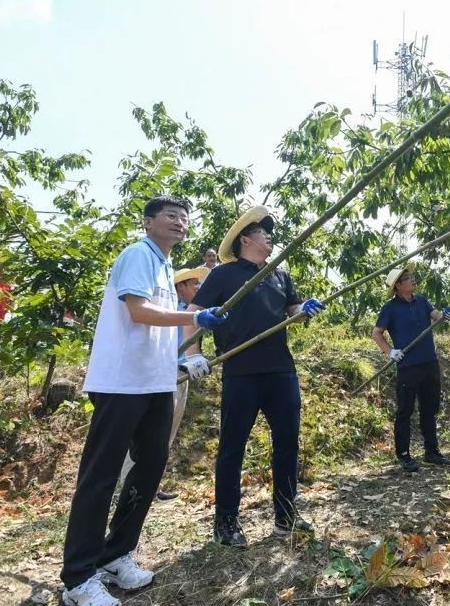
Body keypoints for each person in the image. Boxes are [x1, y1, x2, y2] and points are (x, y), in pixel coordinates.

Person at [59, 196, 226, 606]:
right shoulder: (138, 254)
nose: (180, 223)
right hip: (121, 384)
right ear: (149, 222)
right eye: (171, 216)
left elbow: (160, 328)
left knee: (149, 469)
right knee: (100, 476)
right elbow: (139, 312)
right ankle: (78, 578)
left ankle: (115, 554)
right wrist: (193, 316)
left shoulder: (165, 267)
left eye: (185, 218)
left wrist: (187, 356)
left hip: (155, 383)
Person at [187, 205, 325, 548]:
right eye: (264, 233)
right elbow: (193, 315)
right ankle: (226, 522)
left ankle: (286, 515)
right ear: (246, 239)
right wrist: (194, 356)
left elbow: (292, 312)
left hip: (280, 370)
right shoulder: (223, 275)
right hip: (240, 373)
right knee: (232, 448)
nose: (270, 238)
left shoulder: (279, 274)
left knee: (287, 444)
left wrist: (304, 309)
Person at [117, 265, 210, 502]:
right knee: (147, 435)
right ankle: (129, 487)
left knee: (167, 434)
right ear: (180, 286)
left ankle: (150, 486)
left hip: (181, 375)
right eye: (193, 284)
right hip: (162, 375)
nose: (198, 288)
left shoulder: (192, 314)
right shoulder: (169, 311)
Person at [371, 265, 450, 473]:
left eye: (411, 277)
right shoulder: (390, 308)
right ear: (399, 286)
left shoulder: (423, 301)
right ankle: (404, 455)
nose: (412, 280)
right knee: (405, 411)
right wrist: (390, 351)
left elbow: (437, 317)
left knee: (430, 409)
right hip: (408, 365)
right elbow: (376, 333)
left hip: (429, 362)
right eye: (408, 278)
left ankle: (431, 452)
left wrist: (446, 315)